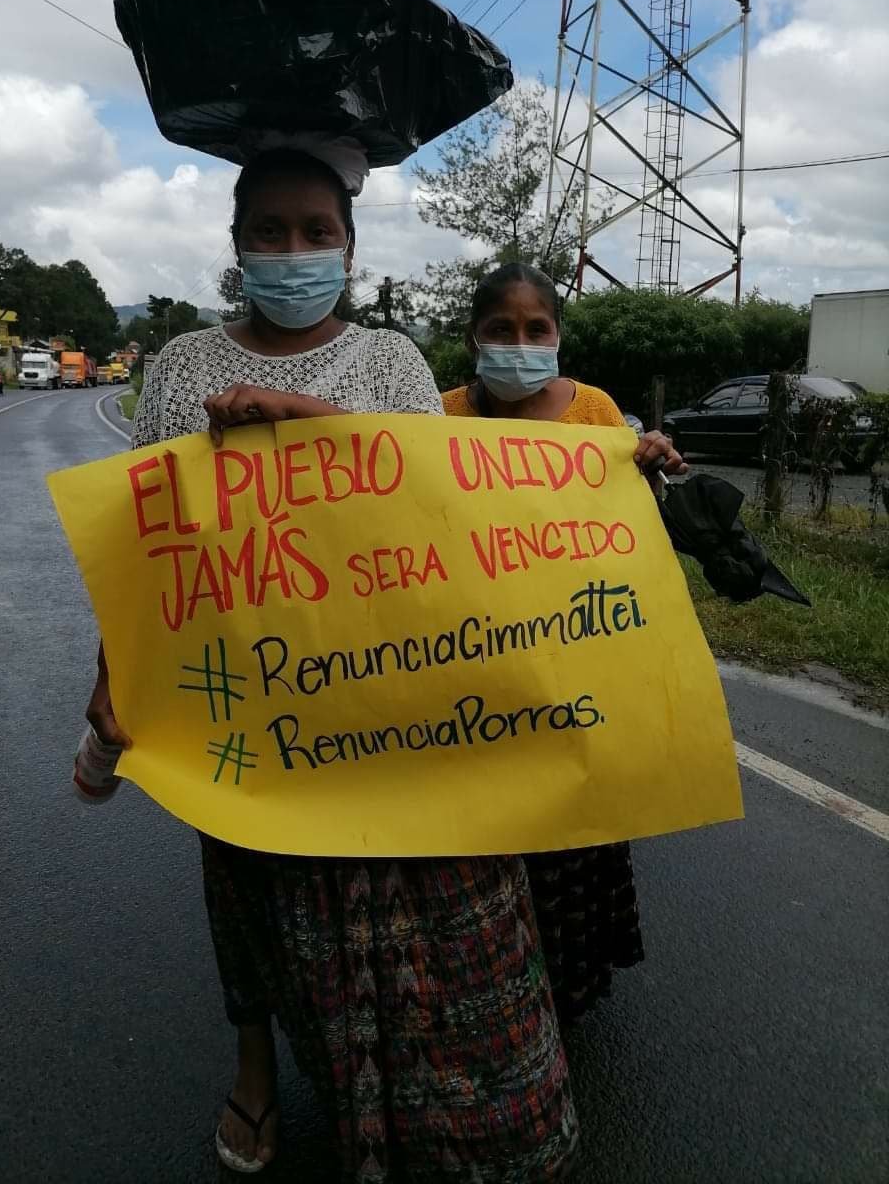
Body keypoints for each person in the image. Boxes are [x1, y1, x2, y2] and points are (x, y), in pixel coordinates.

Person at [86, 149, 580, 1181]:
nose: (295, 250)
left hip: (373, 689)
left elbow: (422, 504)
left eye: (318, 230)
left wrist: (295, 416)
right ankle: (255, 1067)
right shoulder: (179, 367)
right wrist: (112, 677)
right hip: (233, 689)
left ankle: (403, 1095)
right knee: (245, 883)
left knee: (384, 890)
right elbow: (146, 545)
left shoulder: (394, 362)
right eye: (270, 229)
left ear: (350, 246)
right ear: (238, 246)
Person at [443, 261, 688, 1030]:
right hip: (473, 671)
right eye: (500, 330)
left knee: (569, 835)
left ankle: (565, 996)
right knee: (486, 842)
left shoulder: (595, 412)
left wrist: (652, 466)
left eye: (536, 330)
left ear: (557, 335)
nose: (519, 343)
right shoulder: (434, 418)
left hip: (575, 670)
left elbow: (628, 536)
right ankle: (490, 996)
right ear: (474, 339)